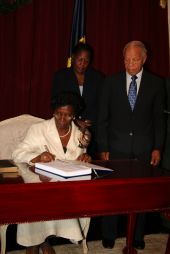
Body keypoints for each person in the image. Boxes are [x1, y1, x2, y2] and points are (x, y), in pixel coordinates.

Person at [96, 41, 166, 250]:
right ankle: (109, 234)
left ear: (144, 59)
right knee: (112, 194)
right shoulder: (111, 82)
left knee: (140, 196)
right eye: (126, 59)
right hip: (116, 149)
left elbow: (159, 120)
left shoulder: (156, 83)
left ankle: (137, 236)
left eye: (134, 59)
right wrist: (103, 146)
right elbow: (102, 119)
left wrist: (157, 148)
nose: (130, 63)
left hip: (144, 150)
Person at [12, 92, 91, 254]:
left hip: (63, 183)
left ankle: (40, 241)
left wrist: (83, 157)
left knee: (60, 194)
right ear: (53, 113)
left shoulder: (78, 134)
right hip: (37, 178)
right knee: (39, 196)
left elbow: (76, 159)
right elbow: (17, 154)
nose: (63, 119)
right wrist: (37, 157)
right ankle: (35, 244)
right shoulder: (38, 129)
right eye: (59, 114)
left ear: (73, 115)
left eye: (68, 115)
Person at [51, 42, 105, 158]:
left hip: (93, 131)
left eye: (86, 61)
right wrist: (75, 121)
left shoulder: (98, 78)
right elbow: (56, 104)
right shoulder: (61, 76)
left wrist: (91, 123)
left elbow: (102, 105)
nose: (82, 64)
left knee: (88, 164)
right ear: (73, 57)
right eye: (80, 60)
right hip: (68, 127)